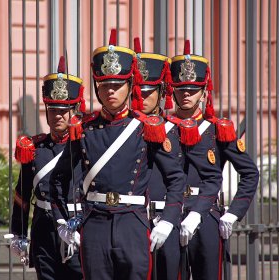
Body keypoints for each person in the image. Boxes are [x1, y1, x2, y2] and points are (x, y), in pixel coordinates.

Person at [50, 29, 185, 280]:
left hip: (132, 223)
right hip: (95, 224)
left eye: (116, 85)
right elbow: (58, 179)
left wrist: (168, 220)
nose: (110, 91)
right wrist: (62, 223)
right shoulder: (84, 129)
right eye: (104, 85)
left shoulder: (146, 127)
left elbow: (176, 178)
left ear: (130, 85)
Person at [169, 40, 259, 279]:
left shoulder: (217, 129)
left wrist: (233, 213)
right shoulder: (163, 129)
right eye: (180, 88)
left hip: (207, 216)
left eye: (193, 89)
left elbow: (250, 173)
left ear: (204, 91)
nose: (186, 93)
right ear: (172, 90)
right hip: (169, 214)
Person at [8, 56, 84, 280]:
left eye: (64, 110)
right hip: (43, 227)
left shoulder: (85, 145)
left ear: (74, 110)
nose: (58, 115)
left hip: (75, 226)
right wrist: (18, 233)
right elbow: (22, 194)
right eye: (53, 110)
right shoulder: (35, 147)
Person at [131, 37, 183, 280]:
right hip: (130, 222)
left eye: (147, 92)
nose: (141, 97)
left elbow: (181, 179)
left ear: (162, 91)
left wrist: (172, 219)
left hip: (164, 220)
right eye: (136, 91)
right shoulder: (123, 129)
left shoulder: (174, 129)